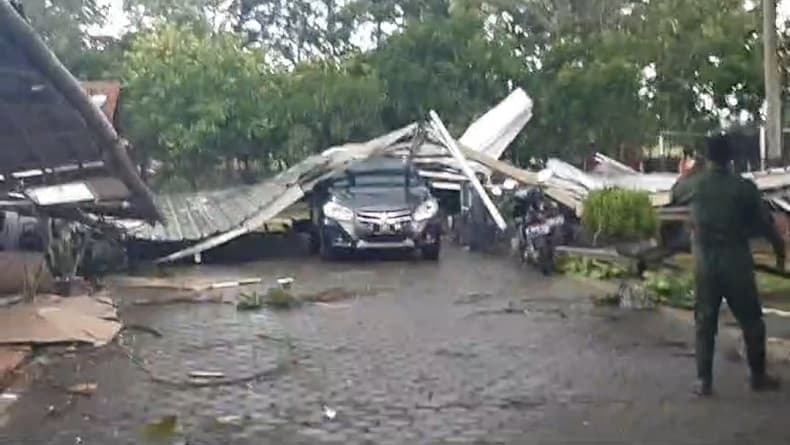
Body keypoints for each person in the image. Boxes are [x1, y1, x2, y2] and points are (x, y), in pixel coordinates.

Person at [671, 134, 785, 396]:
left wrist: (685, 173)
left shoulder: (695, 184)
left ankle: (703, 380)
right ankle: (757, 376)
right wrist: (779, 254)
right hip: (736, 261)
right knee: (752, 320)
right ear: (731, 158)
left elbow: (675, 194)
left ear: (706, 158)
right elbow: (765, 225)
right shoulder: (743, 187)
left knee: (705, 320)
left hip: (705, 262)